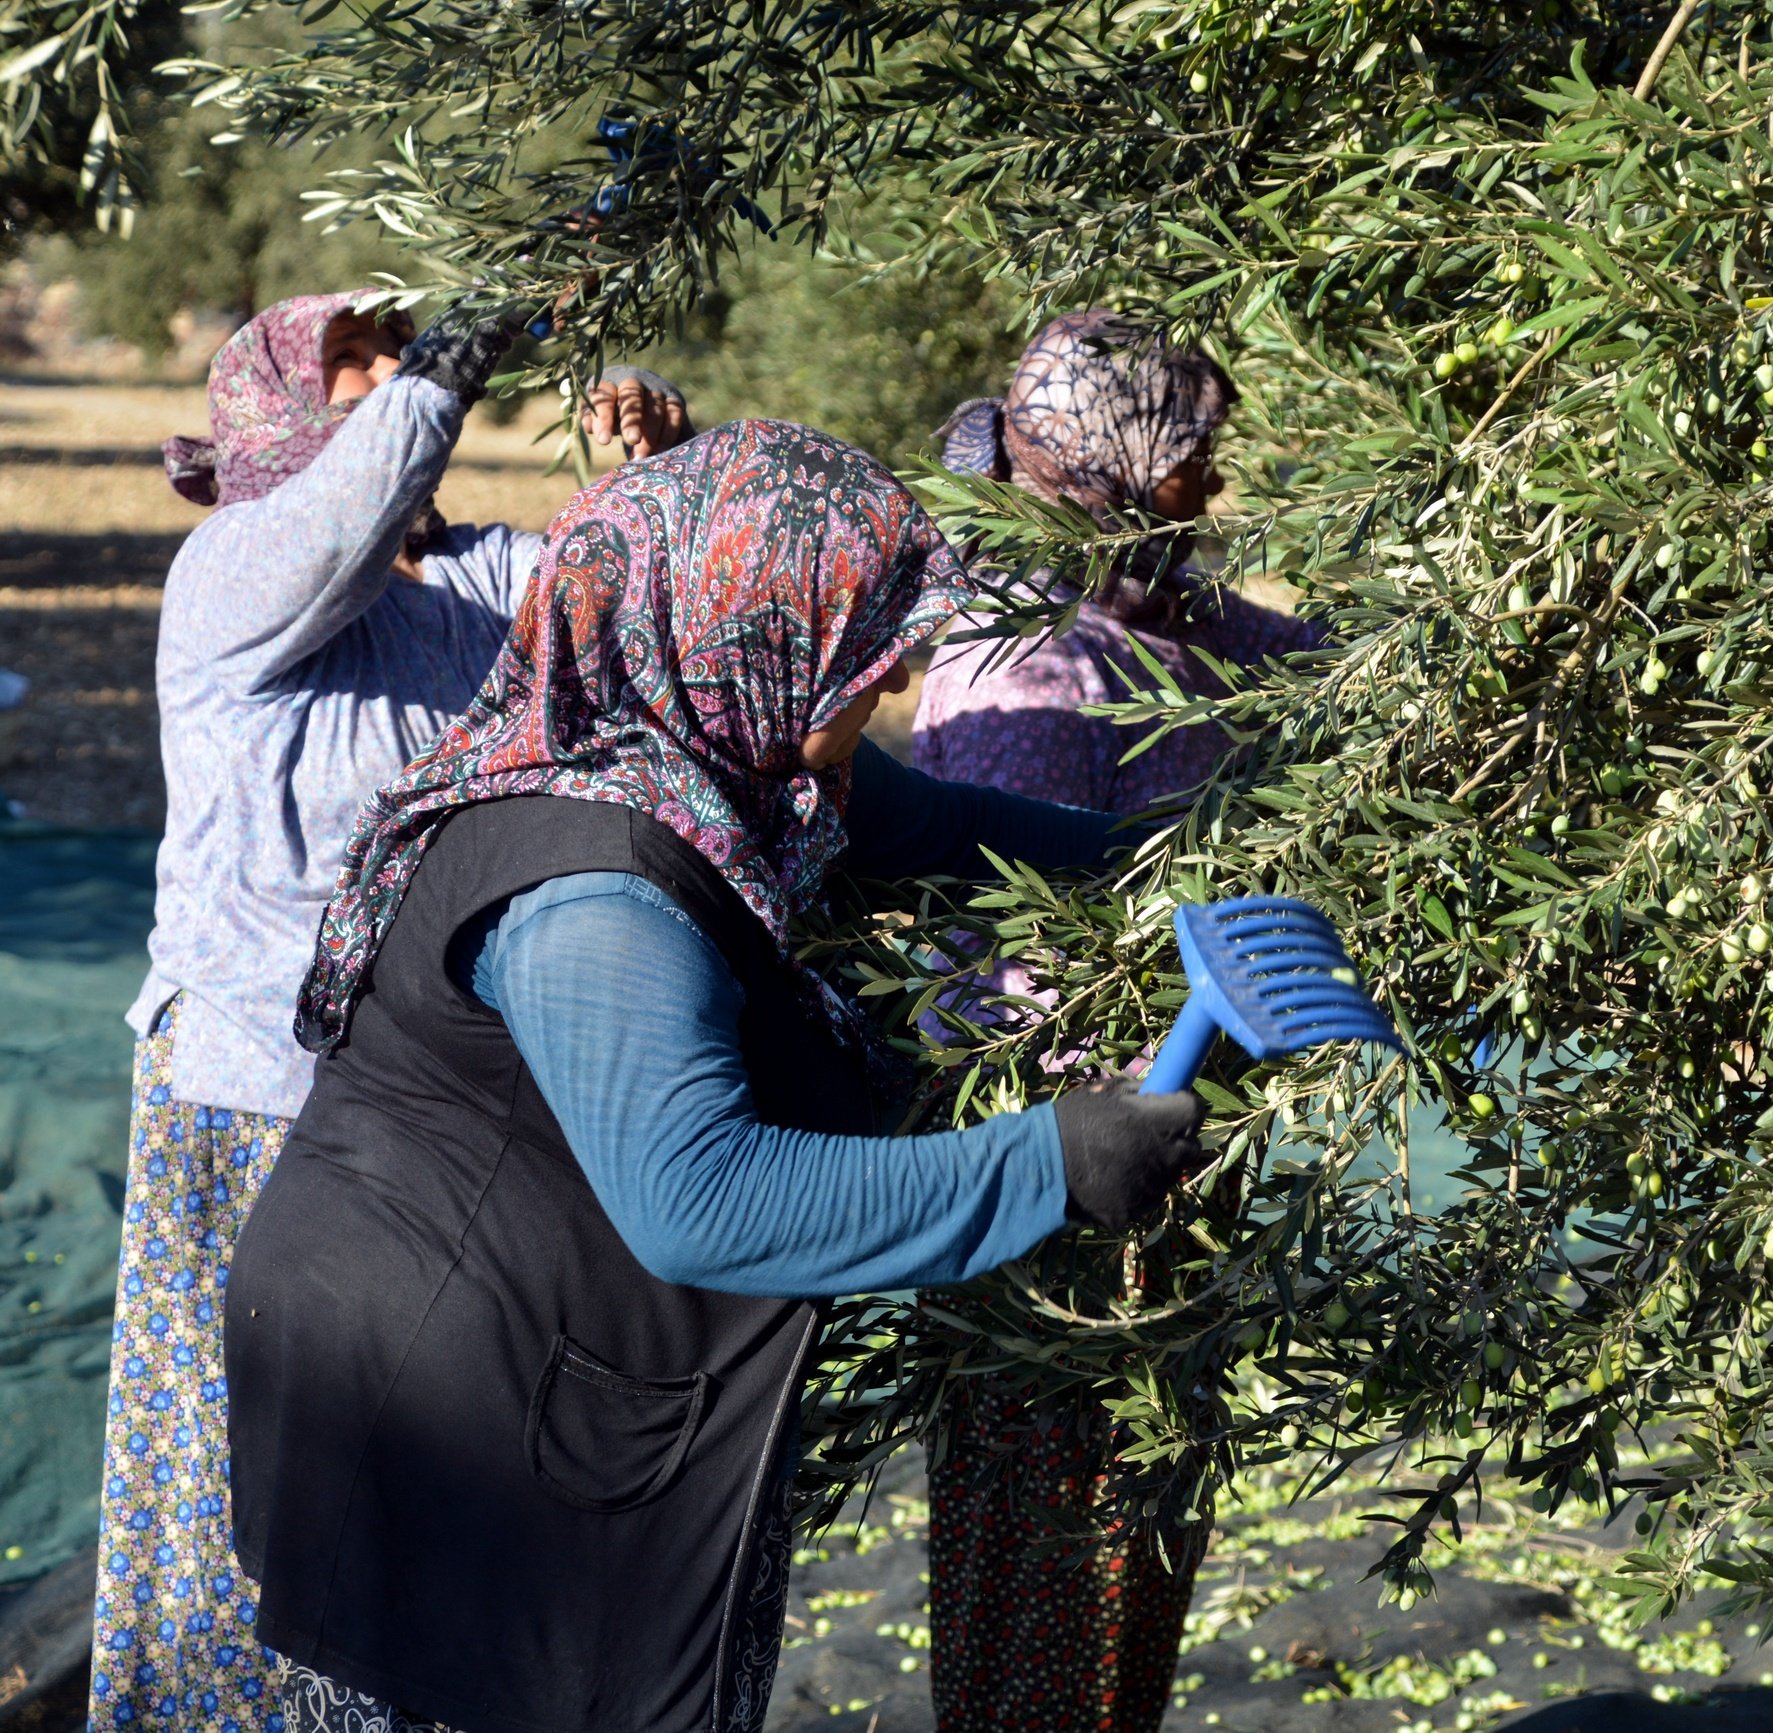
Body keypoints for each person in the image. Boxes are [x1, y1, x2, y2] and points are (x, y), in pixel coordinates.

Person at [221, 417, 1207, 1733]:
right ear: (757, 626)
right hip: (448, 1414)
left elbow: (950, 827)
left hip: (549, 1349)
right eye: (876, 634)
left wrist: (1180, 857)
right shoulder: (597, 893)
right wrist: (1048, 1160)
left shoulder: (725, 756)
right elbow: (703, 1197)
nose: (905, 669)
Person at [92, 291, 691, 1733]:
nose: (385, 375)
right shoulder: (230, 575)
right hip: (251, 1110)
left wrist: (643, 488)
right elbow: (349, 514)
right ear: (278, 413)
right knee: (248, 1503)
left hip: (428, 1115)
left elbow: (647, 618)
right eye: (354, 354)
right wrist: (453, 362)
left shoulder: (474, 583)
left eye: (395, 348)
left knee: (397, 1513)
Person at [916, 310, 1325, 1733]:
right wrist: (1117, 1178)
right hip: (1073, 1188)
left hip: (1163, 1155)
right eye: (1191, 455)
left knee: (1137, 1557)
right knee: (1055, 1564)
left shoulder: (1155, 609)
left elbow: (1304, 656)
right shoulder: (1033, 661)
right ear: (1115, 460)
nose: (1213, 485)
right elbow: (1029, 986)